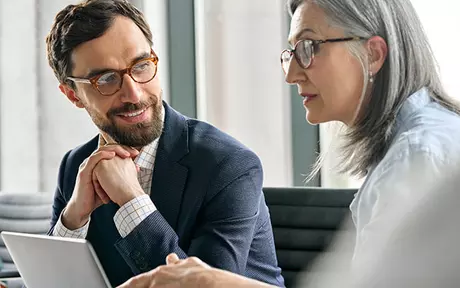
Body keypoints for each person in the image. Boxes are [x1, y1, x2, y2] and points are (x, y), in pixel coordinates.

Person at [116, 0, 460, 286]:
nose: (291, 73)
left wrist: (214, 282)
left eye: (309, 48)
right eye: (291, 52)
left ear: (372, 54)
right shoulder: (420, 141)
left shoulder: (416, 156)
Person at [45, 0, 283, 287]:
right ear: (73, 95)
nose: (134, 93)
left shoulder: (228, 166)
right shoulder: (76, 166)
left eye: (142, 66)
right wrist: (73, 219)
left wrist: (131, 200)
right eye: (106, 79)